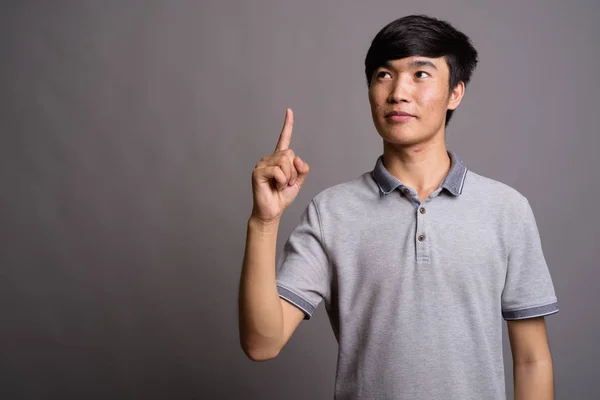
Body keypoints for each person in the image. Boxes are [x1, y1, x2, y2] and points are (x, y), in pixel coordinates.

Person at [238, 14, 558, 400]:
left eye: (420, 74)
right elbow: (262, 343)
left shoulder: (506, 210)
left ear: (455, 92)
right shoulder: (331, 212)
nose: (398, 92)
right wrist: (264, 222)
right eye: (384, 75)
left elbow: (532, 360)